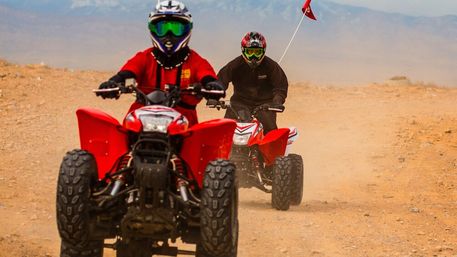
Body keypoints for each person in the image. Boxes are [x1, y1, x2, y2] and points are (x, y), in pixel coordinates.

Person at [96, 0, 224, 127]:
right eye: (162, 29)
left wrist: (213, 85)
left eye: (175, 29)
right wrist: (113, 82)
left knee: (210, 137)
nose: (169, 34)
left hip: (184, 125)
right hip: (140, 117)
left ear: (186, 30)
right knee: (112, 136)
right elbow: (127, 73)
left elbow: (207, 76)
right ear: (152, 29)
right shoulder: (144, 57)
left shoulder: (196, 61)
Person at [217, 31, 288, 134]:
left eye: (257, 52)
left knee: (270, 133)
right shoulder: (235, 65)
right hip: (239, 103)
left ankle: (271, 149)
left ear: (263, 51)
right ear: (243, 50)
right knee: (225, 130)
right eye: (250, 52)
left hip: (265, 105)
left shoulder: (271, 66)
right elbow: (221, 80)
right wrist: (213, 96)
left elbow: (280, 86)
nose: (253, 57)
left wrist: (277, 101)